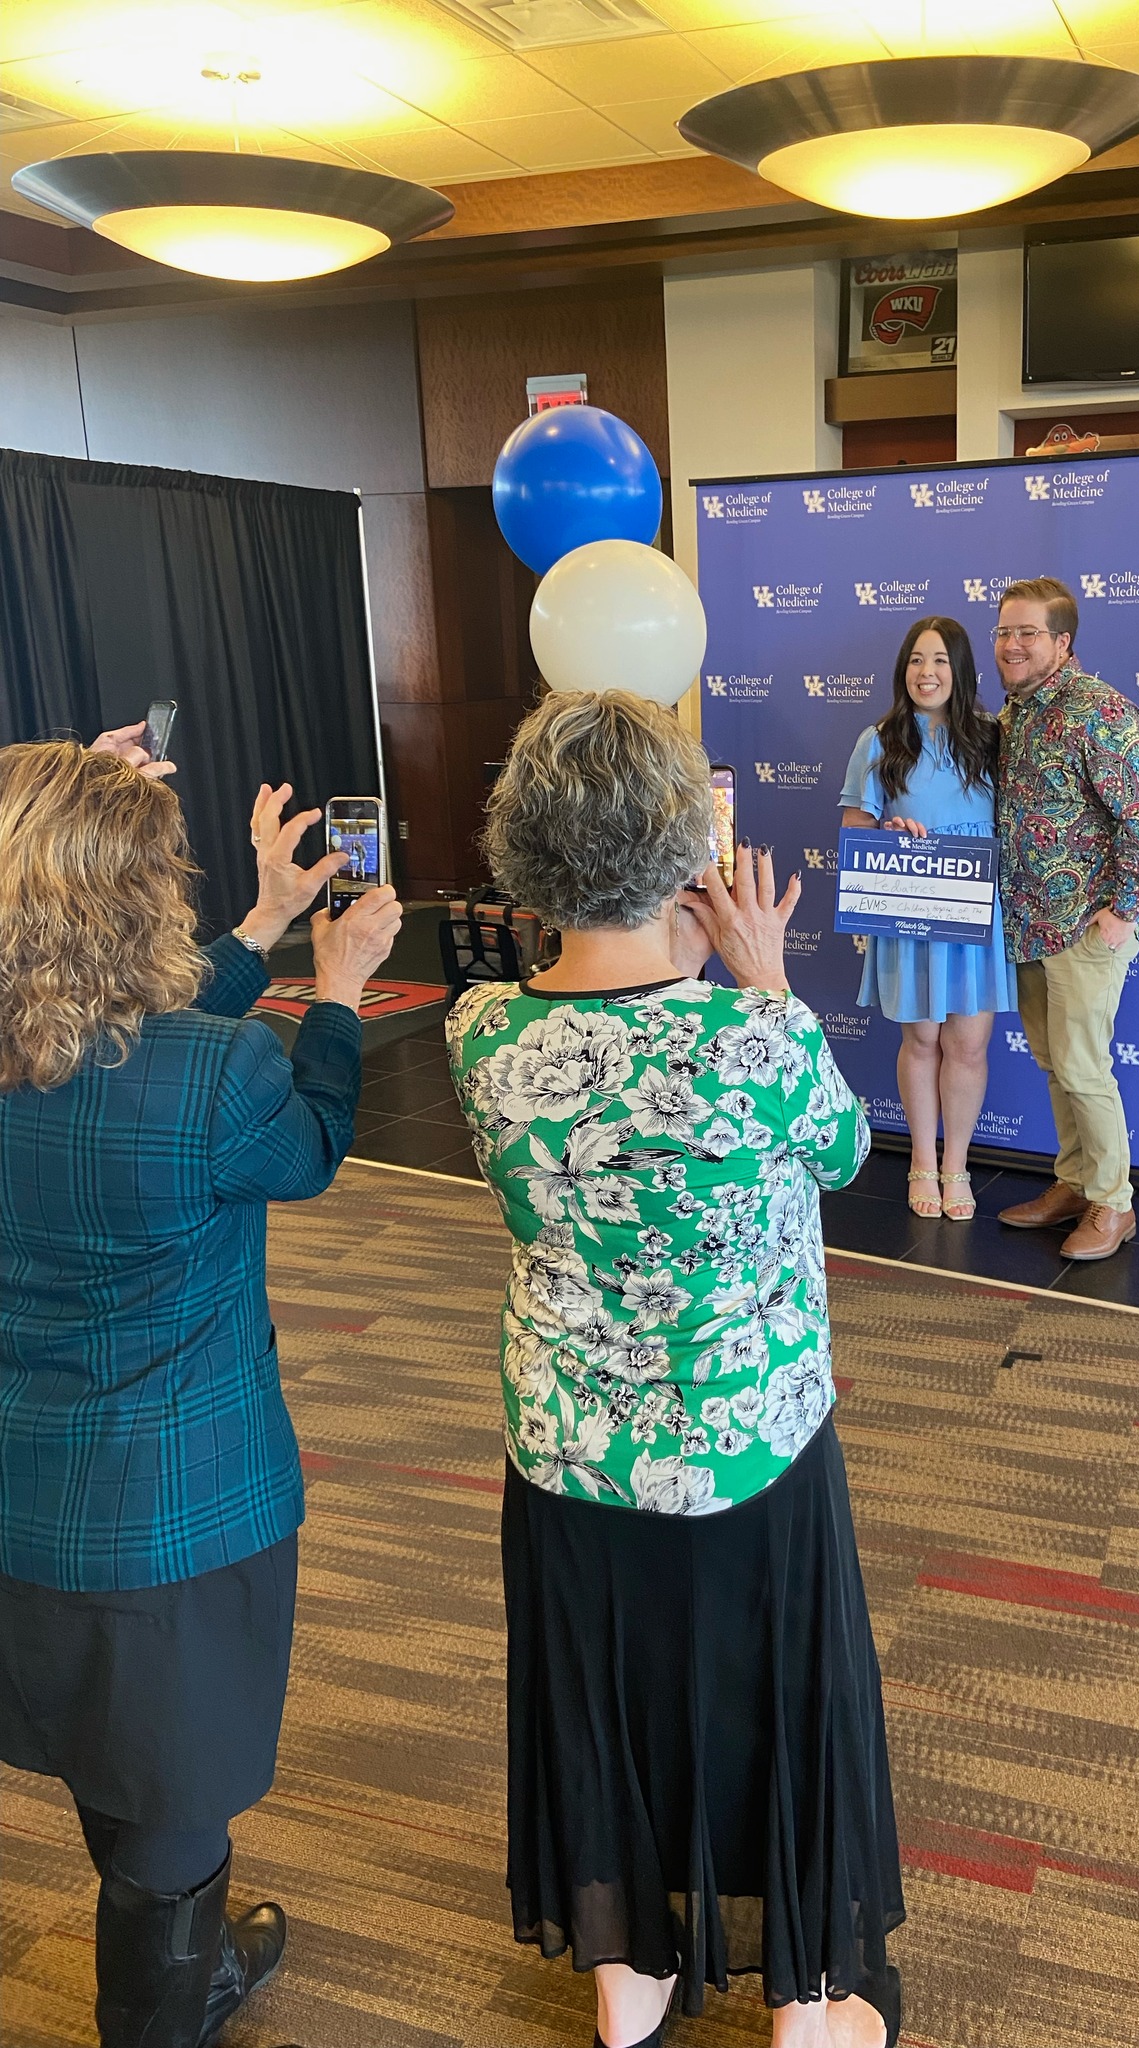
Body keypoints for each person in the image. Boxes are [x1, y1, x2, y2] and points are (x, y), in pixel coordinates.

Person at [448, 691, 904, 2048]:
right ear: (686, 845)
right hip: (752, 1442)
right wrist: (762, 979)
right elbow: (841, 1157)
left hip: (569, 1452)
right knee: (783, 1698)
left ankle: (628, 1976)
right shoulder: (753, 1041)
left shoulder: (482, 1038)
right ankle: (807, 2005)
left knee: (605, 1701)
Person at [0, 726, 402, 2048]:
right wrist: (334, 987)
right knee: (171, 1811)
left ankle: (185, 1960)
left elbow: (109, 1044)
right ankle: (166, 2006)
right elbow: (314, 1144)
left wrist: (265, 926)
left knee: (107, 1763)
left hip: (26, 1514)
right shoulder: (219, 1081)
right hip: (179, 1525)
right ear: (137, 893)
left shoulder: (85, 1052)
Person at [991, 577, 1139, 1260]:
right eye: (1004, 631)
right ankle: (1076, 1182)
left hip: (1084, 926)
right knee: (1054, 1063)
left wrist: (1121, 912)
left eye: (1027, 632)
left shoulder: (1099, 710)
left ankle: (1114, 1205)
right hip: (1028, 924)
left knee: (1083, 1065)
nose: (1012, 644)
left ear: (1061, 642)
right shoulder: (1015, 712)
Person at [838, 616, 1012, 1221]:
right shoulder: (879, 740)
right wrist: (888, 832)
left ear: (960, 670)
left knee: (968, 1043)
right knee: (922, 1039)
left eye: (939, 660)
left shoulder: (996, 737)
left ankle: (957, 1166)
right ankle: (920, 1162)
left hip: (976, 909)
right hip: (910, 908)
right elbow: (855, 831)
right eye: (916, 660)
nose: (926, 672)